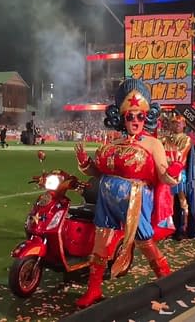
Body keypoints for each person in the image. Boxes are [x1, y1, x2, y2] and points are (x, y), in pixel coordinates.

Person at [73, 79, 184, 308]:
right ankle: (94, 289)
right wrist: (85, 164)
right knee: (101, 243)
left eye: (140, 116)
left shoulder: (153, 144)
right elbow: (98, 171)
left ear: (147, 116)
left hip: (135, 199)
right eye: (130, 116)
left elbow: (165, 176)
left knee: (144, 240)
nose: (135, 120)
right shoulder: (115, 141)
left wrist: (174, 171)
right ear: (122, 117)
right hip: (106, 198)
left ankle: (168, 279)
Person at [161, 115, 195, 240]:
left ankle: (183, 229)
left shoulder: (186, 139)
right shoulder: (165, 138)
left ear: (184, 125)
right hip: (167, 174)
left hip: (179, 175)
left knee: (183, 202)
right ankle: (170, 229)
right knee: (168, 202)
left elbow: (180, 155)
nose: (177, 124)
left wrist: (168, 157)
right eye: (174, 123)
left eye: (179, 123)